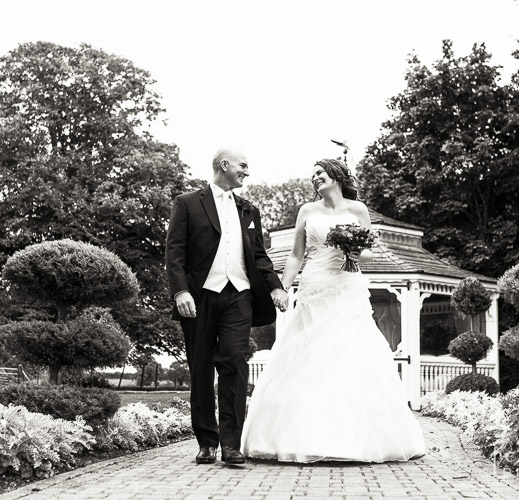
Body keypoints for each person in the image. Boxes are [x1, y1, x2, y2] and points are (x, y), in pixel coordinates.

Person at [241, 158, 426, 463]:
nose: (315, 179)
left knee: (351, 354)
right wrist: (283, 287)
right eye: (312, 175)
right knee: (307, 354)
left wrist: (355, 251)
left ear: (337, 176)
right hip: (314, 285)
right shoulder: (307, 212)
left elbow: (368, 252)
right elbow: (296, 255)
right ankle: (298, 435)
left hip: (347, 288)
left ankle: (357, 438)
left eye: (320, 173)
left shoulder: (358, 210)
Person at [165, 147, 288, 465]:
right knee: (201, 368)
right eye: (243, 166)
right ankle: (207, 442)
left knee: (235, 360)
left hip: (239, 295)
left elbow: (259, 255)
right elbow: (174, 251)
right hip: (200, 296)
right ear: (224, 165)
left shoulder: (249, 210)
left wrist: (275, 286)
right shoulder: (188, 203)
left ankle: (231, 444)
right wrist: (181, 292)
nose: (247, 171)